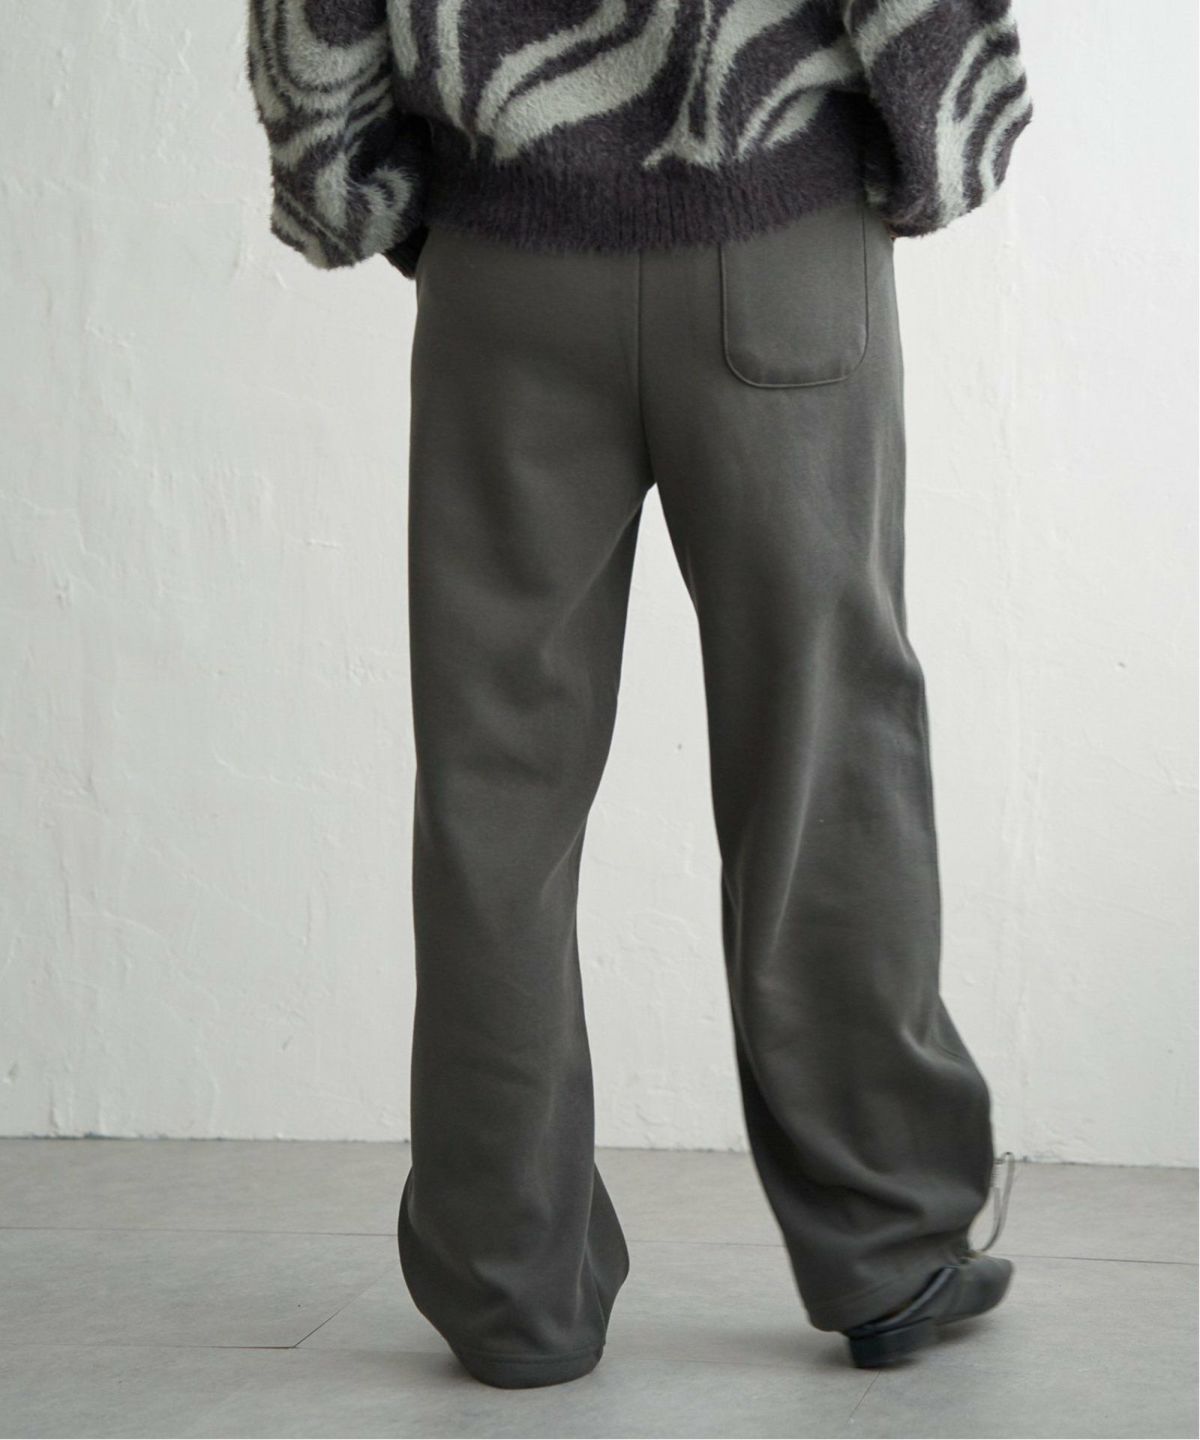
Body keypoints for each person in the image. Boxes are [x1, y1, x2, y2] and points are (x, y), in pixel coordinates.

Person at [247, 0, 1033, 1390]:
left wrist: (350, 181)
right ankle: (889, 1243)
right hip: (777, 230)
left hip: (507, 265)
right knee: (825, 747)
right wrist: (937, 132)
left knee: (496, 788)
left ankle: (511, 1292)